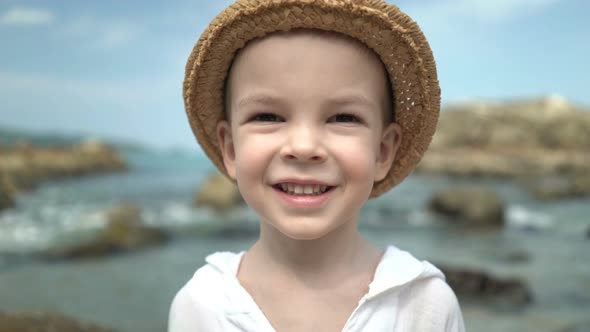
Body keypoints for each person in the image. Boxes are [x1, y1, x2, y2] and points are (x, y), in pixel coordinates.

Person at [169, 0, 465, 331]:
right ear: (230, 148)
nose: (304, 147)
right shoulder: (202, 305)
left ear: (383, 152)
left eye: (343, 117)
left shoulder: (423, 304)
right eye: (268, 116)